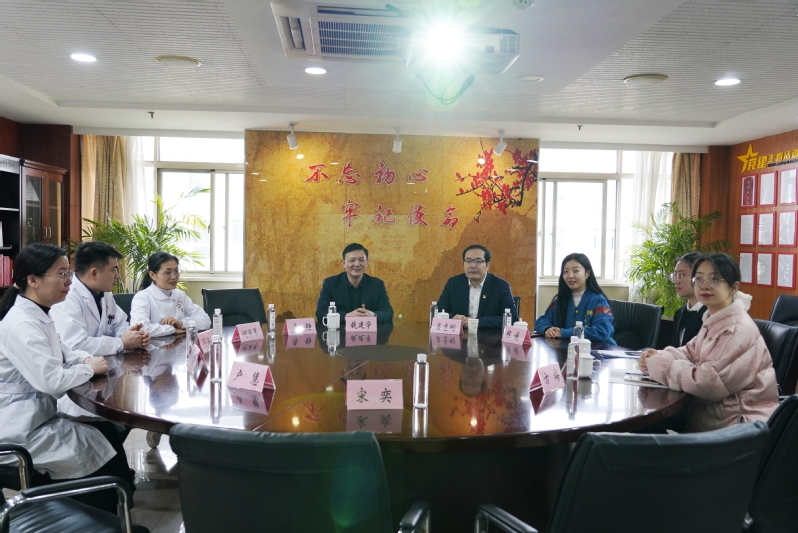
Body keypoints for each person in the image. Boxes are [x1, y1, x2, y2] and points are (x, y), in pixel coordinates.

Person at [0, 243, 135, 513]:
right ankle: (100, 513)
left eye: (68, 273)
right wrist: (89, 368)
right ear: (33, 280)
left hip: (37, 417)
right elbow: (52, 381)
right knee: (102, 448)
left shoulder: (38, 314)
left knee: (108, 432)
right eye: (61, 274)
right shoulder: (23, 324)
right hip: (20, 431)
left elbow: (65, 350)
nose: (69, 282)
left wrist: (83, 360)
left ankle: (114, 508)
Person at [639, 253, 778, 432]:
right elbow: (688, 352)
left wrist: (662, 366)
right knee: (642, 422)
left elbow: (709, 384)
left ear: (733, 287)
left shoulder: (737, 329)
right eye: (699, 278)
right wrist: (657, 356)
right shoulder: (715, 321)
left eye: (715, 279)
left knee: (638, 428)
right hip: (709, 417)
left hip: (735, 428)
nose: (705, 285)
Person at [52, 241, 150, 355]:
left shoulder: (105, 293)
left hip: (104, 362)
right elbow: (75, 345)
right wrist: (121, 343)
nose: (117, 275)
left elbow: (119, 324)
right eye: (113, 270)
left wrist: (134, 335)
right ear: (94, 273)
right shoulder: (67, 298)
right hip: (78, 365)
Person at [534, 253, 615, 343]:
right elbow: (542, 320)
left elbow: (602, 331)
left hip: (599, 349)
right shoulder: (560, 301)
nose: (570, 276)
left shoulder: (598, 301)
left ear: (587, 274)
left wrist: (563, 333)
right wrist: (547, 329)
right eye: (565, 272)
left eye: (575, 271)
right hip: (567, 349)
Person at [437, 244, 518, 330]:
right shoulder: (453, 283)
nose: (472, 265)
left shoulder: (501, 286)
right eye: (468, 261)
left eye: (478, 261)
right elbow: (438, 312)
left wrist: (478, 322)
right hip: (460, 336)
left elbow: (512, 319)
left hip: (489, 337)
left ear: (488, 265)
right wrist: (452, 318)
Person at [130, 251, 211, 337]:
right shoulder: (142, 297)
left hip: (180, 343)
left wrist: (181, 324)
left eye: (176, 271)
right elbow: (140, 328)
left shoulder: (180, 295)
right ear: (152, 275)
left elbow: (206, 320)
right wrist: (172, 330)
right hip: (153, 345)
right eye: (167, 272)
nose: (174, 276)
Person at [315, 243, 393, 323]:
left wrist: (373, 315)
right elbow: (321, 313)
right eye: (352, 260)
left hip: (368, 330)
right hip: (340, 330)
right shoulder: (330, 284)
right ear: (343, 263)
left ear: (367, 262)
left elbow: (388, 312)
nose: (357, 264)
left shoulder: (377, 284)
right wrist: (346, 316)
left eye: (361, 260)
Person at [670, 252, 704, 347]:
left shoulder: (713, 315)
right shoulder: (679, 313)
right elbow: (675, 349)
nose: (676, 281)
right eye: (675, 275)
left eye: (681, 275)